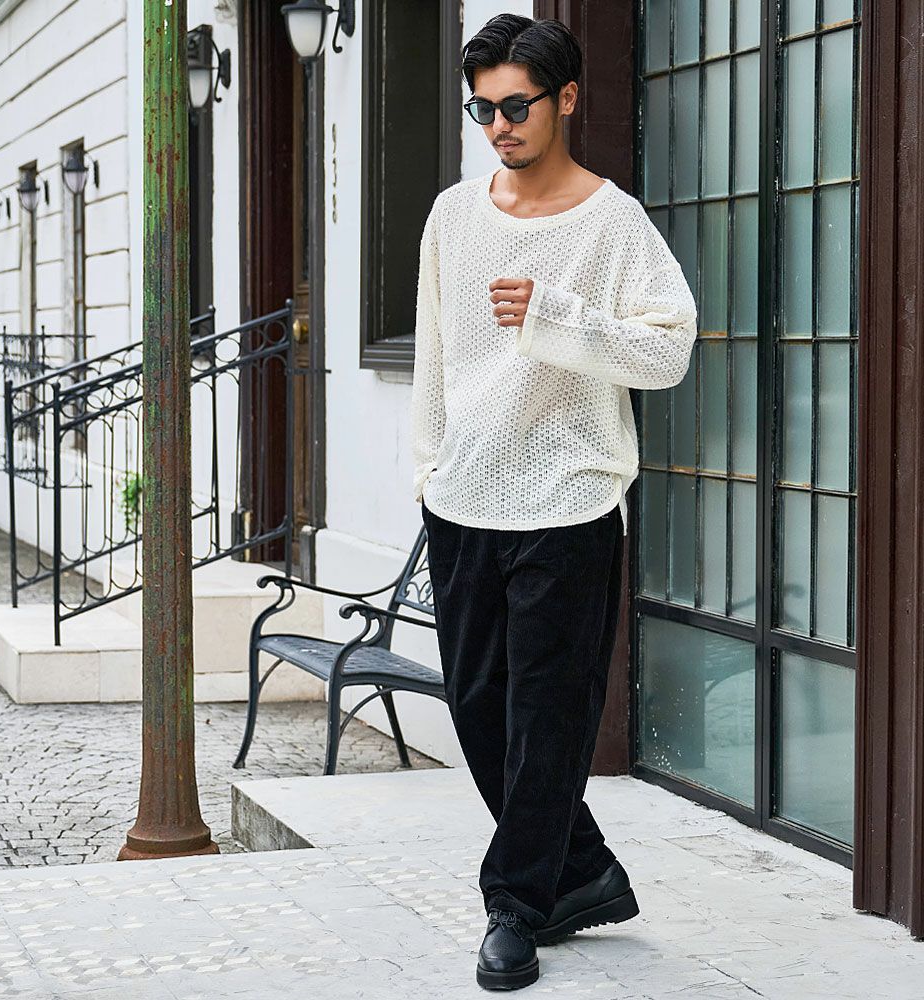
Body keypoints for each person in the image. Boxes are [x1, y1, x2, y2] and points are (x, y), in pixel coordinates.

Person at [409, 12, 698, 992]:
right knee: (479, 710)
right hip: (464, 501)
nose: (498, 125)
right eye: (482, 109)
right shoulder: (453, 216)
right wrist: (429, 469)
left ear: (565, 98)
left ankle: (514, 906)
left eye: (516, 105)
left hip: (568, 503)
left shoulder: (612, 223)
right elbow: (435, 355)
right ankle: (582, 871)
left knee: (547, 716)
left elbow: (667, 350)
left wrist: (557, 315)